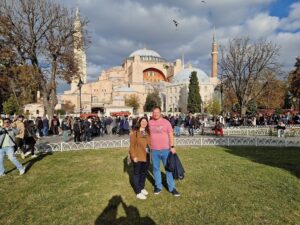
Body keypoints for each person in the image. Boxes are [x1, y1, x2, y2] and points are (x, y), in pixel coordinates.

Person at [149, 106, 180, 197]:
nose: (155, 114)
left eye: (157, 112)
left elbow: (170, 134)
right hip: (154, 150)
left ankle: (172, 188)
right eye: (154, 112)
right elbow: (144, 132)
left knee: (168, 169)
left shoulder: (166, 122)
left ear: (160, 113)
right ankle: (158, 186)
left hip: (166, 150)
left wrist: (172, 146)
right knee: (156, 169)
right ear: (152, 113)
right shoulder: (149, 123)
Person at [129, 117, 151, 200]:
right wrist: (134, 156)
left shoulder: (148, 132)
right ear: (139, 122)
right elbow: (132, 146)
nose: (144, 122)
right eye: (143, 121)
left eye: (146, 121)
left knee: (144, 173)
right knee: (137, 173)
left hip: (147, 156)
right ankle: (138, 192)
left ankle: (142, 187)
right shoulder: (135, 132)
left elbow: (150, 143)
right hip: (138, 156)